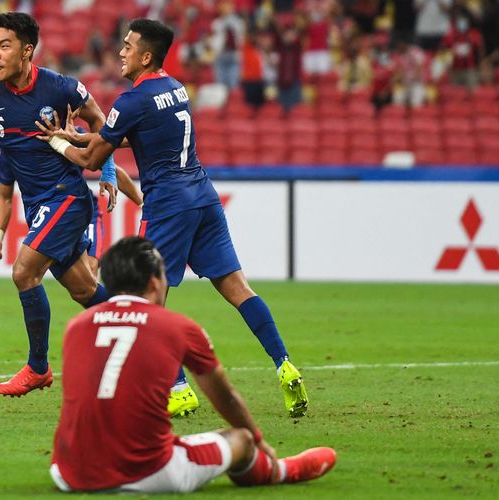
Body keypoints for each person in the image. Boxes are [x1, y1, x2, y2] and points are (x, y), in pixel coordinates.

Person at [36, 18, 309, 418]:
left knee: (148, 300)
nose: (121, 52)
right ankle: (284, 364)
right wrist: (78, 135)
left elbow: (95, 159)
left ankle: (178, 388)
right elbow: (136, 134)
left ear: (146, 55)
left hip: (168, 203)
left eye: (128, 46)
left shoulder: (131, 100)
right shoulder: (174, 88)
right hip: (203, 196)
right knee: (238, 288)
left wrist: (58, 141)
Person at [50, 236, 337, 493]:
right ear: (153, 282)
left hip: (68, 471)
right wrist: (258, 439)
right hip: (146, 471)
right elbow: (225, 397)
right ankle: (279, 469)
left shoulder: (76, 326)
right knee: (240, 439)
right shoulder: (177, 327)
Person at [0, 12, 116, 397]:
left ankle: (38, 368)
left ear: (27, 50)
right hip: (38, 204)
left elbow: (103, 126)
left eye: (4, 46)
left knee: (24, 273)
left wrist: (105, 172)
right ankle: (146, 327)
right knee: (85, 292)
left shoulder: (61, 87)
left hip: (68, 198)